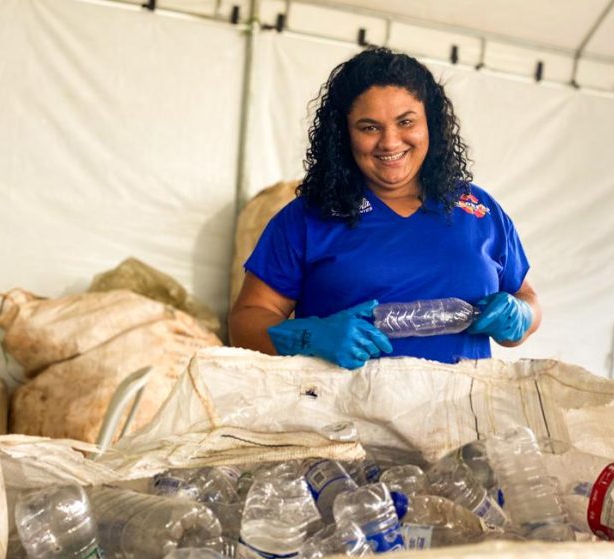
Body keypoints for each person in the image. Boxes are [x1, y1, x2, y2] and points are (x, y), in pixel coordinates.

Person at [229, 47, 540, 369]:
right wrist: (310, 336)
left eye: (406, 122)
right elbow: (245, 322)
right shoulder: (306, 218)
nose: (390, 142)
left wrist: (522, 315)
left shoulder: (479, 211)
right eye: (369, 127)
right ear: (343, 134)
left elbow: (526, 298)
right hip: (339, 416)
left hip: (461, 413)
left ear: (430, 123)